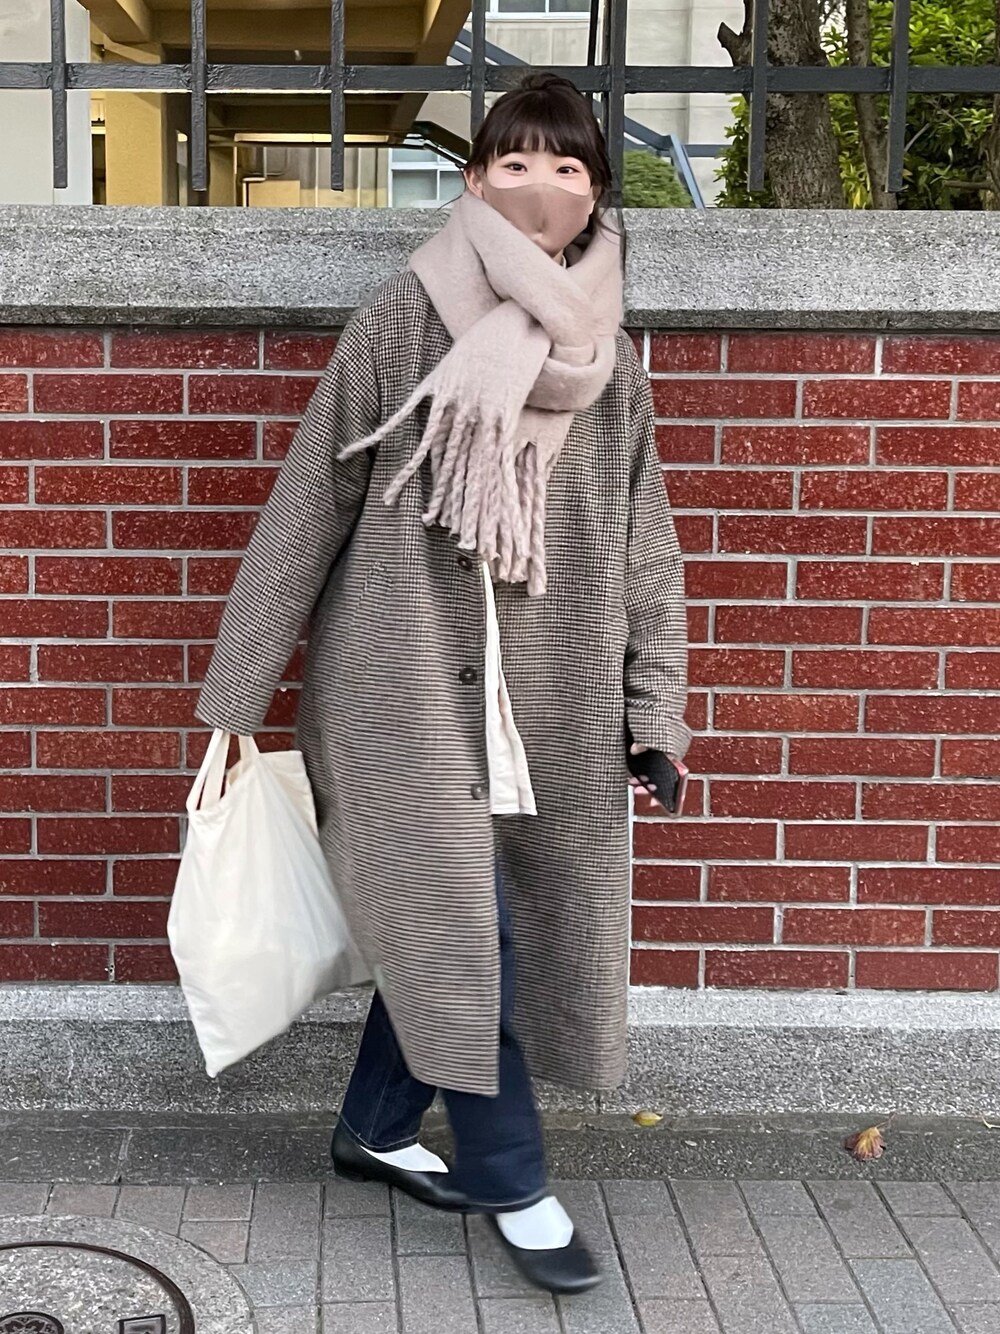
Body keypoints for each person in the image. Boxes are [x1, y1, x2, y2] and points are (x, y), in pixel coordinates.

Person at [195, 72, 690, 1294]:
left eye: (568, 165)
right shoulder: (399, 319)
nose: (542, 184)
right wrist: (236, 700)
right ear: (473, 180)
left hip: (551, 701)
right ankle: (511, 1175)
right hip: (398, 685)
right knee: (473, 932)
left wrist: (654, 714)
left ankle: (372, 1125)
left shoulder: (610, 360)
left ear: (595, 194)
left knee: (454, 927)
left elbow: (644, 542)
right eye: (515, 160)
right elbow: (309, 504)